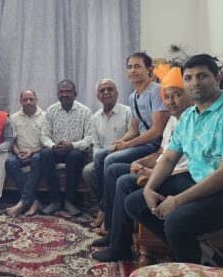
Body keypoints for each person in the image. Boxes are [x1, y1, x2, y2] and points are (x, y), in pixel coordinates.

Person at [125, 54, 223, 264]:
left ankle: (193, 271)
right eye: (188, 78)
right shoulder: (189, 116)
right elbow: (169, 158)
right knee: (135, 203)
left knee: (176, 222)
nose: (195, 82)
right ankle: (198, 253)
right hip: (199, 181)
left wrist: (177, 201)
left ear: (217, 78)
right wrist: (148, 189)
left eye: (202, 76)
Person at [91, 67, 192, 262]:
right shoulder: (173, 121)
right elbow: (162, 153)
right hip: (162, 169)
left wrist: (151, 172)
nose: (170, 102)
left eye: (176, 95)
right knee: (113, 170)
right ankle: (112, 232)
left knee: (122, 180)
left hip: (177, 175)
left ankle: (120, 247)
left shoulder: (192, 121)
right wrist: (140, 162)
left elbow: (186, 166)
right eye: (166, 97)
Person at [93, 53, 169, 192]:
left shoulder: (156, 90)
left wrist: (127, 145)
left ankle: (107, 203)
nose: (132, 70)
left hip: (155, 144)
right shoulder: (133, 96)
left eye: (137, 66)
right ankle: (102, 201)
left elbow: (157, 130)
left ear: (149, 69)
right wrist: (121, 141)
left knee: (110, 159)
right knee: (99, 155)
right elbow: (134, 129)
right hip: (142, 143)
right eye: (130, 67)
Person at [82, 79, 132, 230]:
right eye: (102, 90)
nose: (106, 93)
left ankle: (107, 212)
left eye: (110, 89)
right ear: (98, 96)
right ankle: (103, 207)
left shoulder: (128, 112)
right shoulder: (95, 118)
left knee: (109, 169)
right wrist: (100, 160)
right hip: (102, 159)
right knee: (88, 171)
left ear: (117, 93)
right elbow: (96, 145)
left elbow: (134, 138)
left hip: (123, 156)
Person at [39, 80, 92, 216]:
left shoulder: (85, 111)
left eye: (68, 91)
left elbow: (89, 138)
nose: (64, 94)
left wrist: (72, 145)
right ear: (57, 94)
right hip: (55, 150)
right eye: (61, 92)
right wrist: (53, 146)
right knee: (44, 154)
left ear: (75, 93)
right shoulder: (51, 111)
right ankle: (55, 201)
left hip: (74, 150)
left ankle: (69, 202)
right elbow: (44, 136)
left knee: (75, 155)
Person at [5, 90, 45, 217]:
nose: (28, 102)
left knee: (38, 158)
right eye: (25, 100)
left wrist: (33, 152)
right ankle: (34, 201)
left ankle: (23, 202)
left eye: (31, 99)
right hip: (20, 154)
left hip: (37, 153)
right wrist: (18, 153)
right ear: (20, 102)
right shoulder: (14, 118)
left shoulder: (45, 116)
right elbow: (12, 141)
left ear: (36, 100)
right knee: (9, 161)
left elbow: (47, 142)